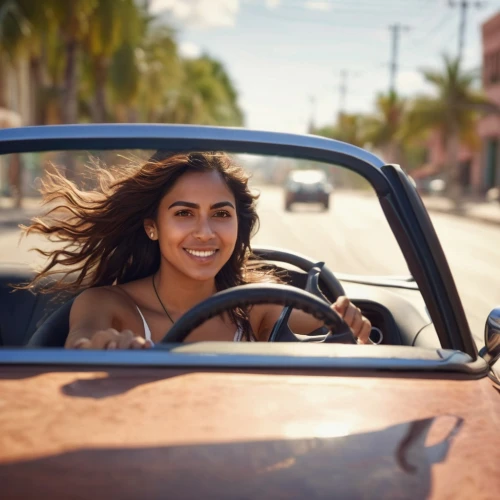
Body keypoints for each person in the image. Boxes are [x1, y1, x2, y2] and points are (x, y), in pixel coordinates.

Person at [22, 151, 371, 349]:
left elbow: (343, 340)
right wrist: (101, 348)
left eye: (220, 214)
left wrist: (352, 329)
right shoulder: (108, 304)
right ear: (151, 226)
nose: (205, 233)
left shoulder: (259, 305)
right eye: (184, 213)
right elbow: (81, 342)